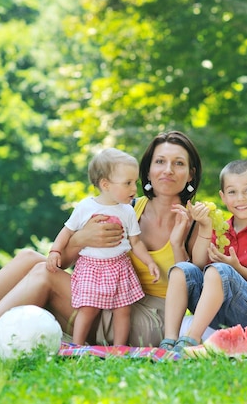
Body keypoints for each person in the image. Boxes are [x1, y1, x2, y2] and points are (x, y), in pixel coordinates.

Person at [0, 131, 202, 356]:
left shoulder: (197, 220)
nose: (167, 170)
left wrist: (178, 244)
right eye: (160, 161)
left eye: (178, 163)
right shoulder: (126, 211)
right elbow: (60, 261)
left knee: (42, 275)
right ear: (147, 169)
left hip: (152, 320)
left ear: (190, 173)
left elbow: (196, 290)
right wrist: (79, 239)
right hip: (110, 298)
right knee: (28, 258)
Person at [160, 160, 247, 350]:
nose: (240, 198)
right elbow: (198, 263)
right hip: (219, 309)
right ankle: (170, 340)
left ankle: (191, 340)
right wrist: (205, 226)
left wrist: (237, 268)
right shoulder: (222, 231)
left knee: (220, 270)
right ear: (223, 197)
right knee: (182, 270)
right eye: (232, 192)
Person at [46, 148, 160, 346]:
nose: (134, 188)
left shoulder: (127, 211)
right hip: (91, 267)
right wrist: (55, 251)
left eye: (135, 182)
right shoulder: (85, 207)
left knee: (123, 310)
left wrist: (149, 262)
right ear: (105, 184)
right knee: (88, 308)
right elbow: (67, 231)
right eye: (127, 183)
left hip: (119, 267)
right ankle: (79, 345)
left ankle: (119, 347)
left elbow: (136, 243)